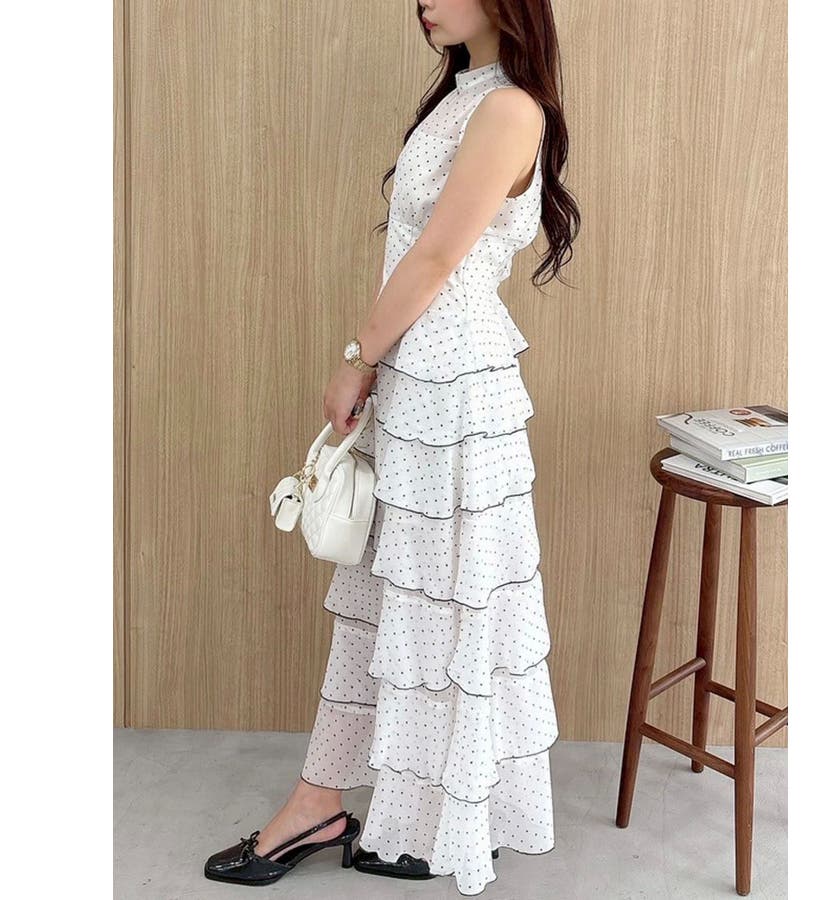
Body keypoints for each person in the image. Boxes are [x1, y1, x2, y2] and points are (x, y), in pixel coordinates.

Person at [205, 0, 580, 895]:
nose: (424, 0)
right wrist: (377, 362)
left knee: (439, 602)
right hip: (421, 378)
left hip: (455, 389)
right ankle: (343, 804)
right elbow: (416, 253)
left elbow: (437, 257)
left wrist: (356, 357)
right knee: (394, 602)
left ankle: (390, 811)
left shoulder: (509, 108)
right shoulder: (465, 94)